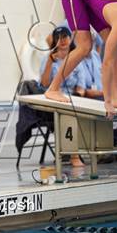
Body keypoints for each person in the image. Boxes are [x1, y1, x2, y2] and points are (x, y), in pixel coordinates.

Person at [39, 26, 85, 167]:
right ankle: (74, 155)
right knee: (68, 112)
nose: (62, 40)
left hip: (72, 98)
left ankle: (99, 148)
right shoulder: (48, 60)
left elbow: (81, 88)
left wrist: (76, 98)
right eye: (58, 37)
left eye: (65, 36)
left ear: (70, 39)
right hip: (53, 100)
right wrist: (49, 62)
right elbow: (44, 83)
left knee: (79, 110)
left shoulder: (76, 59)